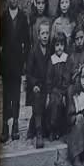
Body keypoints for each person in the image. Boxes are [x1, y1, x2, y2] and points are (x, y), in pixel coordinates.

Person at [0, 0, 33, 143]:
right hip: (6, 64)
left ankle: (15, 126)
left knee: (16, 95)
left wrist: (24, 61)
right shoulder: (3, 17)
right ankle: (5, 126)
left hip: (18, 64)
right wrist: (1, 60)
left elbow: (27, 42)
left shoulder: (23, 17)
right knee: (6, 96)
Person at [26, 18, 53, 146]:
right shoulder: (33, 51)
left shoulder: (51, 50)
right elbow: (28, 73)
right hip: (36, 86)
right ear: (38, 35)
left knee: (50, 102)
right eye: (43, 33)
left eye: (47, 33)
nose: (45, 36)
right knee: (37, 100)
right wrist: (35, 84)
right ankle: (38, 133)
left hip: (47, 86)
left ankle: (37, 128)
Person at [45, 32, 73, 141]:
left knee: (64, 102)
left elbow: (67, 77)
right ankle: (52, 129)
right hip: (54, 90)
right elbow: (49, 79)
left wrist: (64, 92)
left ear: (65, 46)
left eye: (61, 45)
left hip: (64, 90)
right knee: (54, 102)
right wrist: (49, 92)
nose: (59, 47)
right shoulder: (51, 60)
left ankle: (63, 130)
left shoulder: (67, 59)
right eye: (57, 45)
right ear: (54, 46)